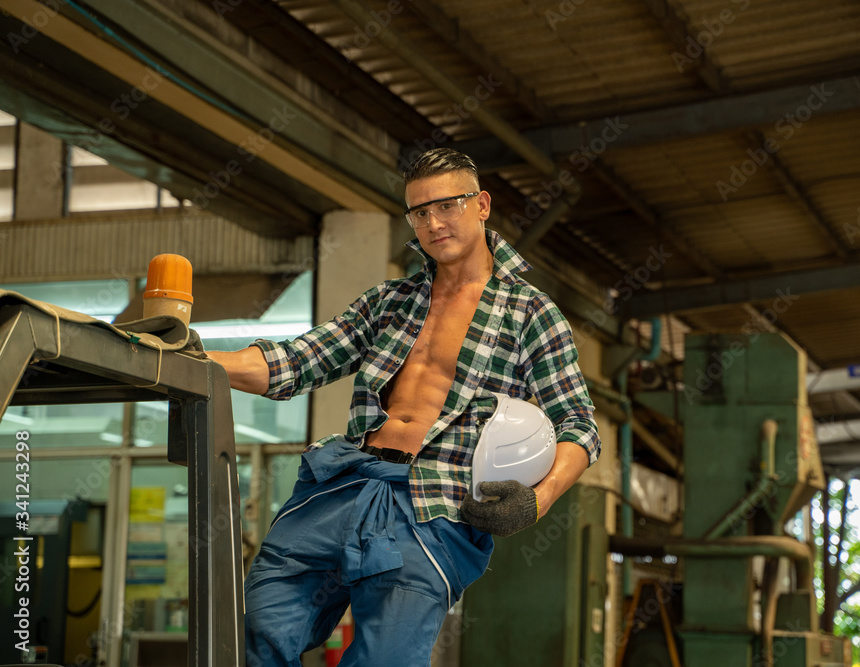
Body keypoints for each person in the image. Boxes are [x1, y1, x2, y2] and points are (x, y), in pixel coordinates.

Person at [207, 147, 600, 667]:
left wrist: (537, 500)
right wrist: (192, 356)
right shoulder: (389, 300)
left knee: (384, 660)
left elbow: (578, 424)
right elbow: (298, 361)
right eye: (419, 212)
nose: (433, 223)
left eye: (447, 205)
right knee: (253, 634)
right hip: (343, 483)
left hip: (432, 508)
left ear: (482, 205)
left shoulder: (529, 312)